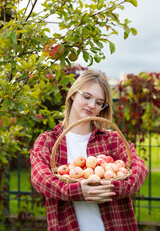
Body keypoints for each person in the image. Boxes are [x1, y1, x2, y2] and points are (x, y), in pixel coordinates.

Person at [30, 70, 149, 231]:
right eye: (86, 97)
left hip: (115, 225)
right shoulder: (48, 141)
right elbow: (40, 178)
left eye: (99, 102)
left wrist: (110, 188)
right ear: (73, 94)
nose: (92, 105)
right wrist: (76, 191)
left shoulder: (111, 139)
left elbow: (140, 168)